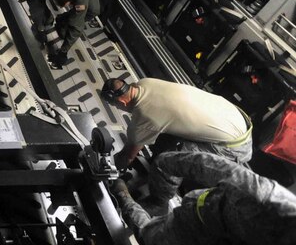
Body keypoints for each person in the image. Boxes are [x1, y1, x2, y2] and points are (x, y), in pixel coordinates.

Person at [102, 76, 253, 210]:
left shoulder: (144, 114)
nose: (119, 108)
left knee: (166, 162)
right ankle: (156, 170)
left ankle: (158, 202)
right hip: (235, 117)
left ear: (122, 101)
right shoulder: (144, 83)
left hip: (233, 146)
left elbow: (128, 155)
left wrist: (111, 170)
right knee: (164, 130)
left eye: (116, 106)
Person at [110, 151, 296, 245]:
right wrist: (162, 171)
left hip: (208, 241)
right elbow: (205, 165)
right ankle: (122, 194)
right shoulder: (266, 198)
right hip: (193, 223)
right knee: (149, 237)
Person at [23, 0, 99, 67]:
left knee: (94, 10)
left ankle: (63, 20)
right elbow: (37, 1)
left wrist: (63, 51)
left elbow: (77, 28)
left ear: (72, 0)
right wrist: (40, 26)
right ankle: (47, 18)